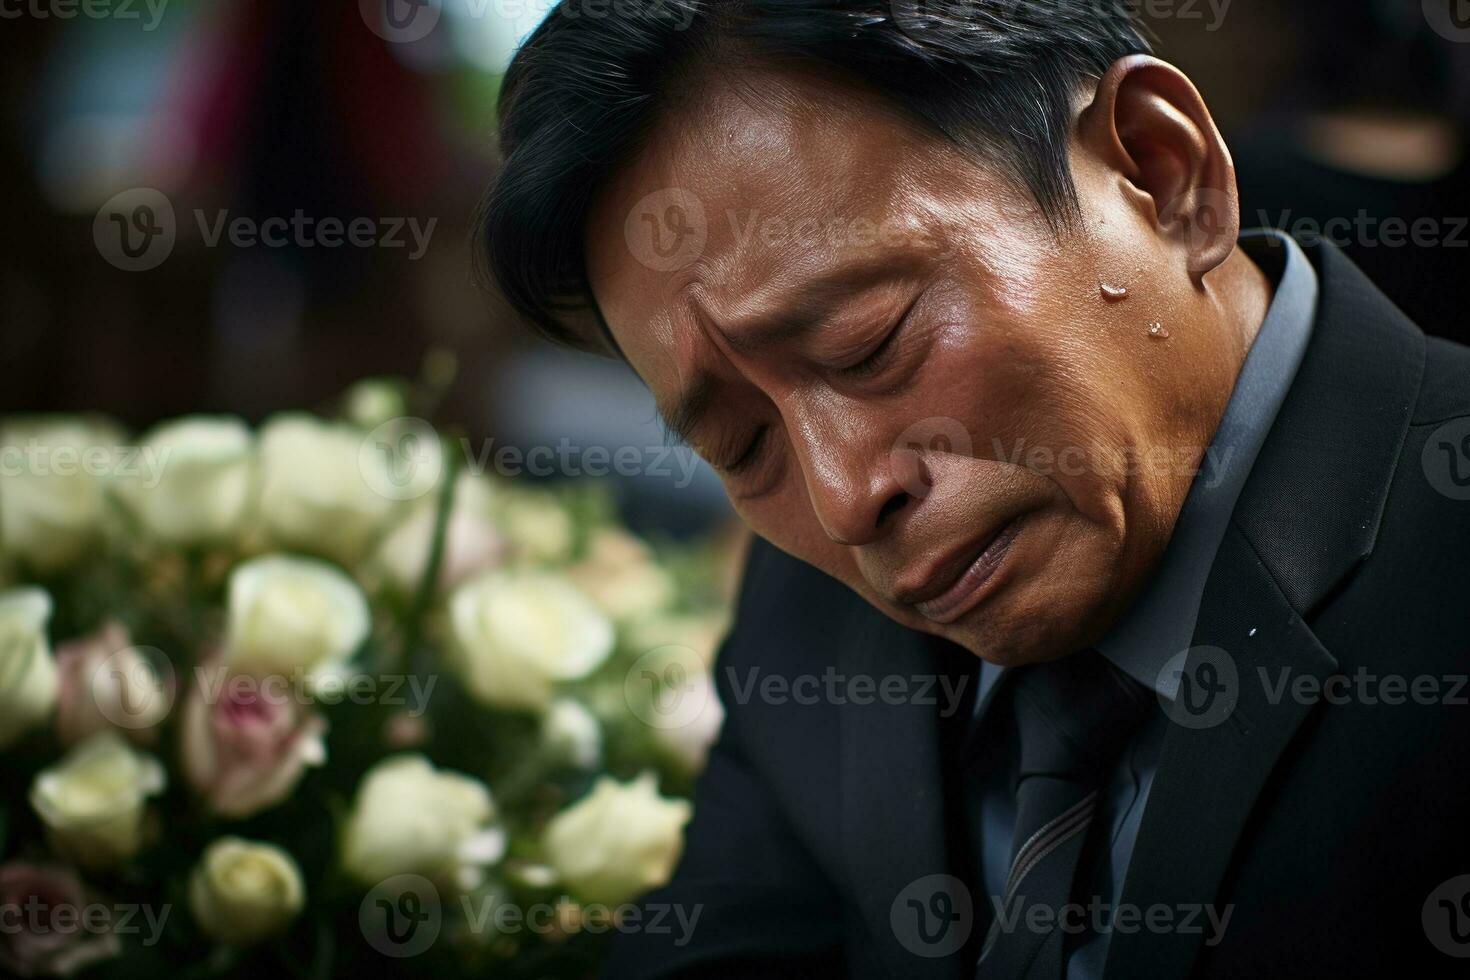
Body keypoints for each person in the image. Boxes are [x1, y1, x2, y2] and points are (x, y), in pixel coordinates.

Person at [477, 2, 1470, 976]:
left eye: (868, 342)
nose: (841, 498)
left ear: (1161, 174)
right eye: (742, 447)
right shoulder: (812, 631)